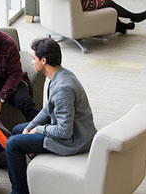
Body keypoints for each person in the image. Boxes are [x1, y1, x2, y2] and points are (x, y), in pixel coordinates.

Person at [5, 38, 97, 194]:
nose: (32, 62)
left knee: (12, 144)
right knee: (18, 130)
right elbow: (48, 109)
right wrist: (30, 127)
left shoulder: (63, 88)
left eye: (34, 59)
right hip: (69, 133)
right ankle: (36, 175)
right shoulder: (60, 75)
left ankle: (19, 191)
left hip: (74, 141)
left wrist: (39, 130)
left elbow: (64, 131)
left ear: (43, 60)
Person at [81, 0, 146, 34]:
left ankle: (120, 26)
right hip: (81, 4)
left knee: (107, 4)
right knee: (109, 3)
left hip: (74, 6)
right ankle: (136, 17)